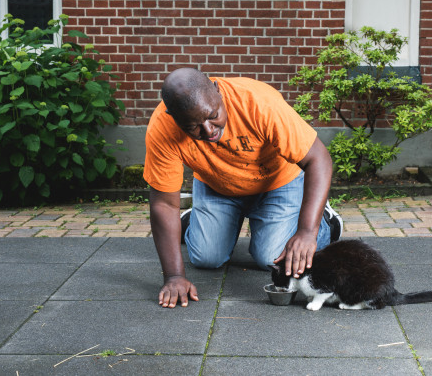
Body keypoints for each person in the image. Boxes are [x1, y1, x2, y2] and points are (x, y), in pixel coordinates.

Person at [143, 68, 342, 308]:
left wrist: (307, 232)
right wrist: (173, 276)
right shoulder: (162, 128)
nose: (209, 131)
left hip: (277, 182)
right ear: (173, 117)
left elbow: (318, 159)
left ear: (217, 92)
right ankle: (193, 221)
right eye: (193, 127)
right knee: (206, 258)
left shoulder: (258, 102)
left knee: (270, 257)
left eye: (213, 115)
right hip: (218, 186)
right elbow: (164, 203)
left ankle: (325, 220)